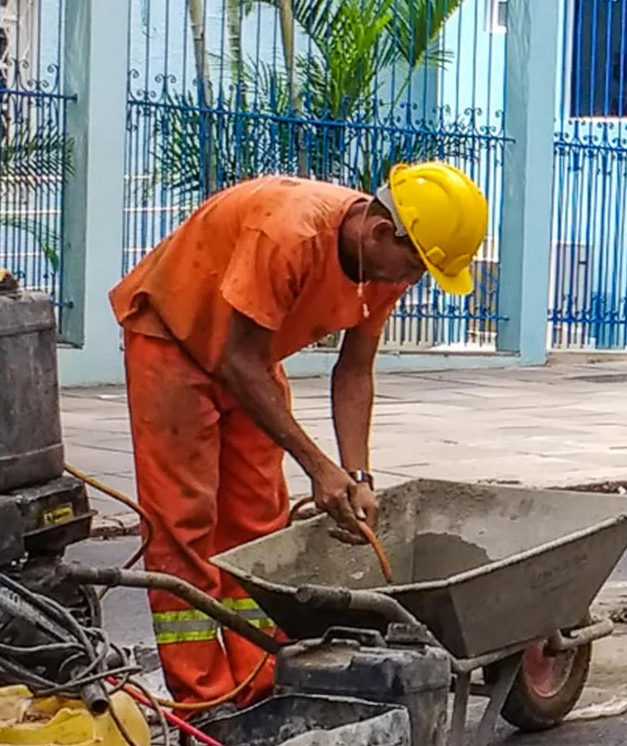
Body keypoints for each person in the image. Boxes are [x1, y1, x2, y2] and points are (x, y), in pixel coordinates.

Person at [112, 163, 488, 704]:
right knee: (185, 528)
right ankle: (205, 702)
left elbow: (355, 371)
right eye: (416, 267)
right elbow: (237, 363)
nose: (414, 281)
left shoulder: (380, 266)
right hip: (173, 338)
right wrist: (318, 466)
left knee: (258, 525)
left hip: (251, 357)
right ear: (382, 233)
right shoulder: (289, 234)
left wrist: (357, 477)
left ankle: (261, 683)